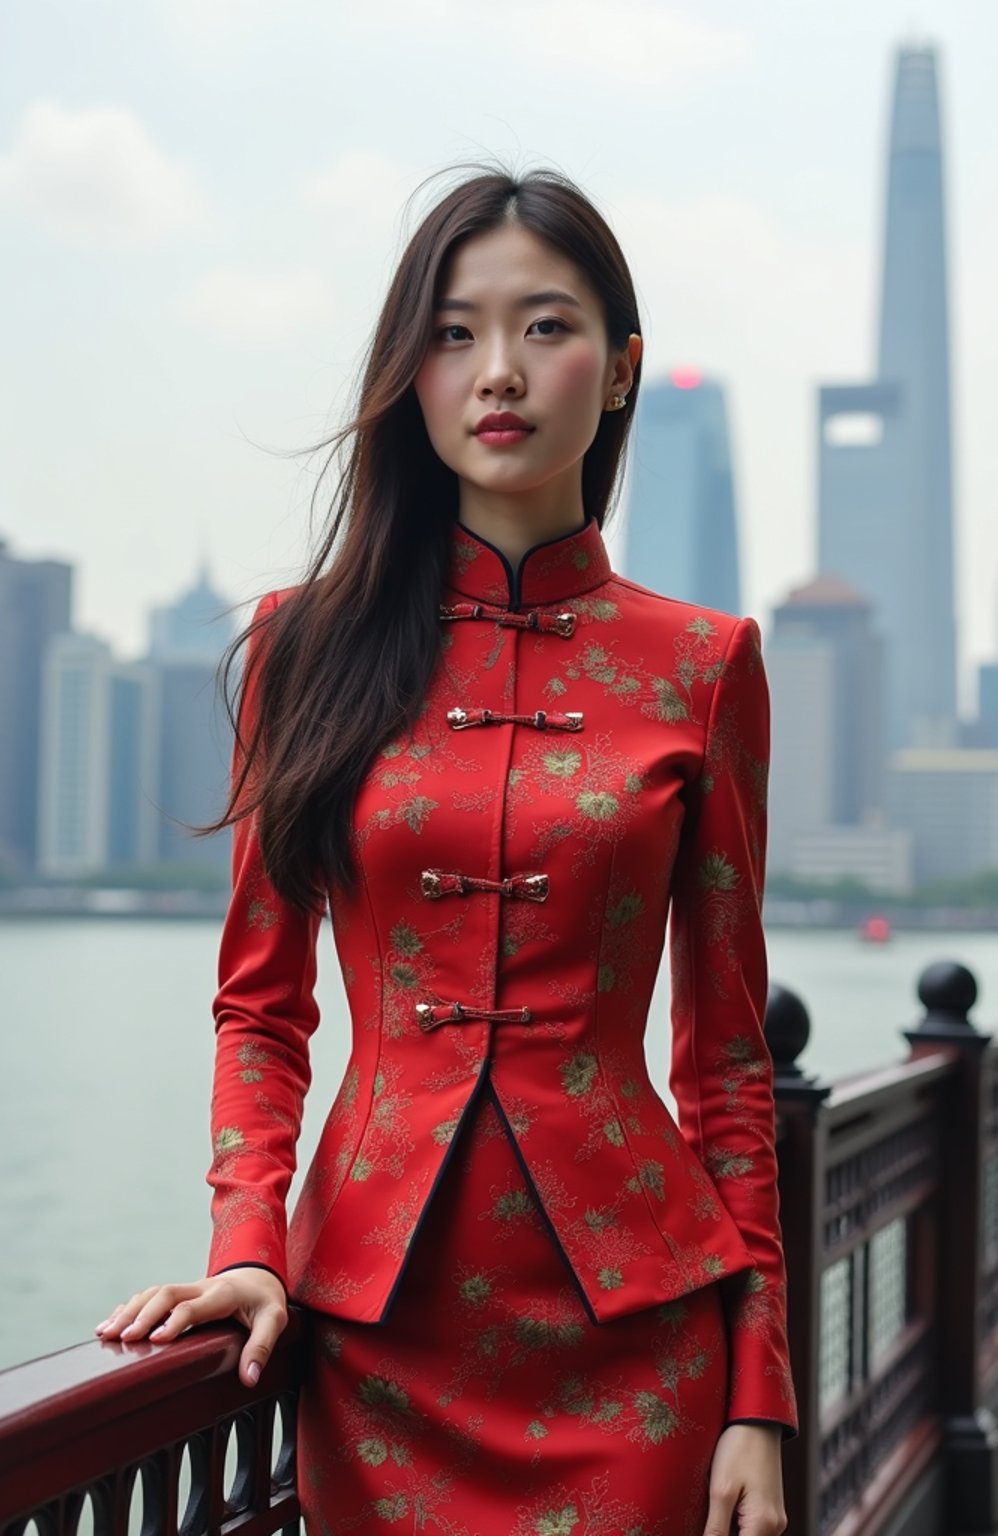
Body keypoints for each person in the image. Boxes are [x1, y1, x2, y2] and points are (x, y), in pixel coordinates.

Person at [96, 164, 798, 1535]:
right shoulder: (300, 647)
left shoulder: (706, 668)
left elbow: (724, 1065)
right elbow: (260, 1008)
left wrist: (758, 1398)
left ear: (619, 372)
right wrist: (247, 1246)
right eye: (453, 332)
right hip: (376, 1332)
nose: (499, 371)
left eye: (547, 327)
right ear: (408, 377)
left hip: (642, 1346)